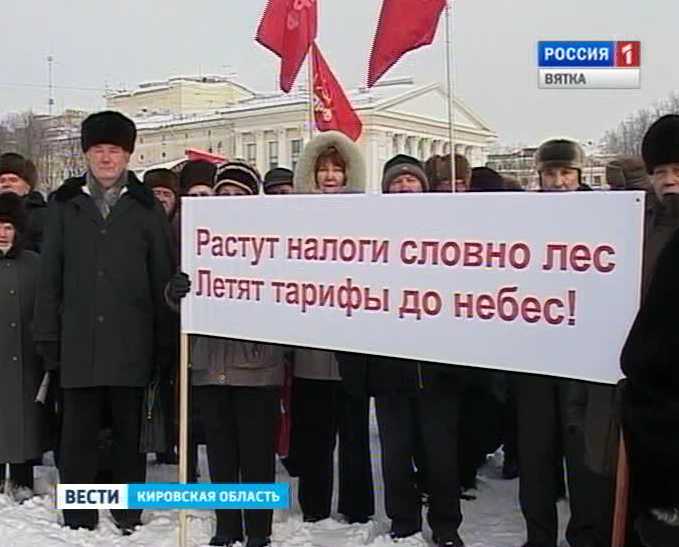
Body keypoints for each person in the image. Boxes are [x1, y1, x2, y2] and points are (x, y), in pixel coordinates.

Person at [33, 110, 174, 535]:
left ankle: (126, 509)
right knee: (78, 436)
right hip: (78, 341)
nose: (106, 158)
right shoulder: (65, 204)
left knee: (129, 436)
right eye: (98, 150)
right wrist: (48, 336)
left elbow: (161, 276)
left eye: (114, 150)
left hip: (132, 343)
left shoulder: (145, 207)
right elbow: (50, 276)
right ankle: (79, 512)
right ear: (86, 154)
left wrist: (164, 340)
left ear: (128, 155)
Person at [167, 162, 282, 547]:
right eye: (224, 194)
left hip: (257, 365)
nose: (229, 201)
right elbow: (178, 300)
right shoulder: (197, 240)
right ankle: (227, 525)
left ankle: (258, 529)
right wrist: (175, 291)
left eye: (239, 195)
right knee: (220, 453)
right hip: (209, 363)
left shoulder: (272, 242)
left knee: (256, 454)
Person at [372, 154, 464, 547]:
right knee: (396, 453)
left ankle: (446, 525)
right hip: (389, 367)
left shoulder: (449, 228)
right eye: (396, 181)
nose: (404, 187)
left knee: (440, 455)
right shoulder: (370, 234)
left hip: (439, 367)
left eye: (411, 180)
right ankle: (403, 521)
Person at [515, 138, 603, 547]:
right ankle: (539, 536)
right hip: (534, 354)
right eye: (550, 173)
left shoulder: (605, 216)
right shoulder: (524, 217)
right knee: (535, 454)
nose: (558, 181)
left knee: (581, 455)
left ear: (579, 175)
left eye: (566, 173)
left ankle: (584, 535)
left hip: (583, 358)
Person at [290, 130, 374, 524]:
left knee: (354, 434)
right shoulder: (296, 217)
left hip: (353, 346)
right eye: (322, 169)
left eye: (337, 170)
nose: (329, 177)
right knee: (313, 433)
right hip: (310, 347)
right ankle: (314, 506)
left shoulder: (366, 218)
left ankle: (356, 508)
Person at [619, 114, 679, 547]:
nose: (669, 180)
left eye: (678, 169)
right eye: (660, 171)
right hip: (656, 416)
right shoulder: (635, 226)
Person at [0, 193, 50, 500]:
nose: (2, 233)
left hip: (27, 358)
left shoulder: (34, 264)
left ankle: (22, 479)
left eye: (8, 227)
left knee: (24, 422)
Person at [0, 152, 47, 252]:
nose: (6, 184)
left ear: (28, 186)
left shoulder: (43, 216)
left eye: (13, 180)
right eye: (2, 181)